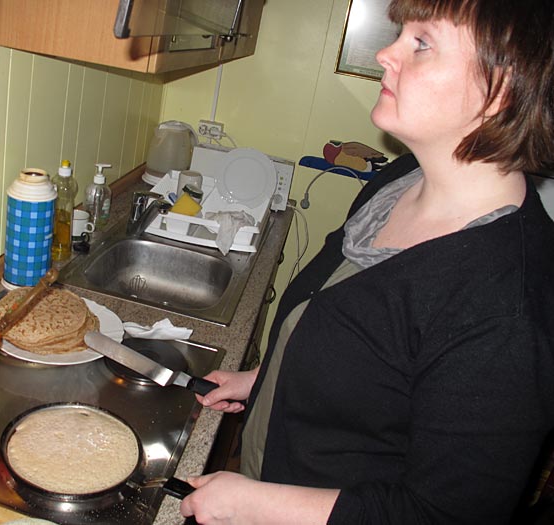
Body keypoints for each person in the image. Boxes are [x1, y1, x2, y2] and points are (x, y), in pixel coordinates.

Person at [179, 0, 554, 523]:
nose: (385, 53)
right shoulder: (399, 180)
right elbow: (356, 333)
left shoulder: (506, 311)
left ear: (502, 91)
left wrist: (257, 503)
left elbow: (443, 515)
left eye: (421, 43)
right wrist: (266, 376)